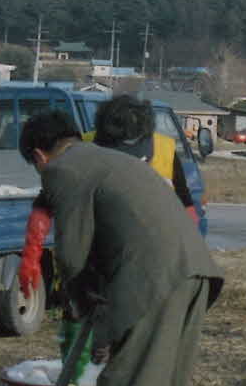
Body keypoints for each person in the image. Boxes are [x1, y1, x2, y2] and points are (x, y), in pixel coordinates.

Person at [16, 108, 223, 386]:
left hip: (156, 277)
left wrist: (79, 305)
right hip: (193, 272)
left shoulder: (64, 170)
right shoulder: (104, 160)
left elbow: (72, 255)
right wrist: (101, 308)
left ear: (40, 155)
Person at [16, 93, 199, 306]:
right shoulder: (84, 144)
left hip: (142, 263)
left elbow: (186, 205)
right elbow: (47, 200)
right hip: (118, 261)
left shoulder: (87, 145)